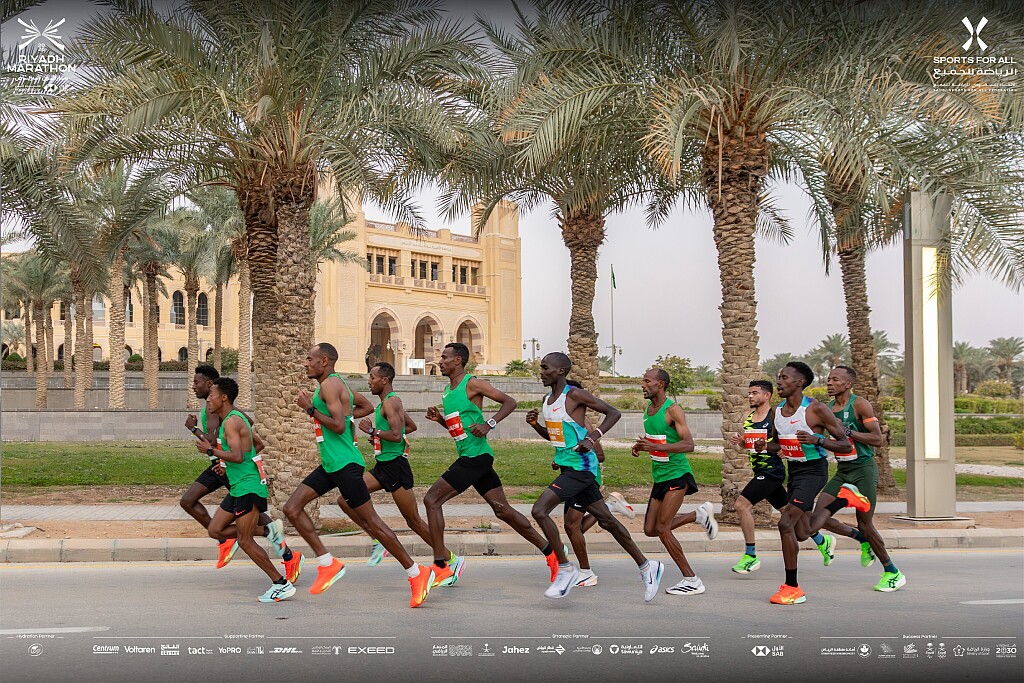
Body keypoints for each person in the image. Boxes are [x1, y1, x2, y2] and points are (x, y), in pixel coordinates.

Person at [281, 343, 435, 608]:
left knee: (374, 523)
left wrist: (310, 409)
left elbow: (338, 426)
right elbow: (363, 406)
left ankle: (416, 572)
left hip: (345, 464)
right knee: (292, 508)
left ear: (324, 361)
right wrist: (344, 415)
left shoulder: (330, 385)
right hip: (331, 464)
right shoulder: (335, 384)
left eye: (309, 358)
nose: (306, 363)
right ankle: (327, 563)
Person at [526, 353, 664, 601]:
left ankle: (566, 569)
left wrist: (592, 438)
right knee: (606, 521)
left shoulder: (574, 395)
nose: (541, 371)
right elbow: (557, 438)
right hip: (568, 468)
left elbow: (613, 413)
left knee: (539, 510)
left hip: (582, 469)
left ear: (561, 371)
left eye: (545, 367)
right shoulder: (547, 400)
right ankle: (647, 566)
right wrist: (537, 426)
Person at [422, 342, 555, 588]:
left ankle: (442, 566)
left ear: (458, 360)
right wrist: (440, 419)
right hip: (473, 455)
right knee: (503, 511)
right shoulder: (448, 391)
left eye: (445, 357)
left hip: (476, 457)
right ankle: (552, 552)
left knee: (431, 500)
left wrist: (489, 424)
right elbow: (459, 430)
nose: (440, 361)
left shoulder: (472, 383)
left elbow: (509, 402)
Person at [341, 362, 459, 572]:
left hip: (396, 468)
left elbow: (396, 435)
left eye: (372, 377)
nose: (369, 381)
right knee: (345, 499)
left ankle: (451, 559)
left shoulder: (391, 402)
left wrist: (374, 432)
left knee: (413, 521)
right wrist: (380, 438)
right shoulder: (385, 404)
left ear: (384, 380)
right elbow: (410, 427)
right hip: (383, 467)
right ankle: (378, 539)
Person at [182, 365, 296, 578]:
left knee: (249, 520)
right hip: (225, 467)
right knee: (195, 505)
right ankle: (230, 540)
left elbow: (216, 442)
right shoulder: (225, 412)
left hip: (234, 471)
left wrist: (194, 430)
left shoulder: (224, 415)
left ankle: (284, 563)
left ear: (212, 386)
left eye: (197, 382)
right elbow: (252, 442)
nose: (194, 386)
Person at [806, 365, 905, 592]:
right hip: (843, 471)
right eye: (828, 379)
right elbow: (820, 438)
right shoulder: (827, 409)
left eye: (835, 379)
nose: (829, 383)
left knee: (865, 523)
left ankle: (892, 572)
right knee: (817, 519)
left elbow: (877, 439)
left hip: (863, 470)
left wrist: (848, 432)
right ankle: (862, 540)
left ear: (848, 384)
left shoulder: (859, 404)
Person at [770, 362, 853, 605]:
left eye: (784, 377)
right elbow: (778, 444)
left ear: (800, 382)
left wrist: (817, 440)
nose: (779, 381)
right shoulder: (777, 411)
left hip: (814, 472)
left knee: (785, 523)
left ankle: (792, 587)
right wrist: (765, 446)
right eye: (779, 377)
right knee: (801, 532)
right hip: (794, 472)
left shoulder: (815, 409)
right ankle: (843, 500)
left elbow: (844, 445)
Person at [633, 368, 718, 596]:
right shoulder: (648, 410)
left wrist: (655, 446)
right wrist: (642, 445)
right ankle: (697, 515)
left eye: (647, 381)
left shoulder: (673, 410)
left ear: (660, 384)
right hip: (660, 476)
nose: (643, 385)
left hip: (677, 475)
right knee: (650, 529)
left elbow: (689, 444)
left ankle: (692, 580)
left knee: (663, 529)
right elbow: (659, 439)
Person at [553, 380, 634, 587]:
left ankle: (587, 573)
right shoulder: (564, 420)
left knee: (572, 526)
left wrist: (587, 446)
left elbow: (600, 455)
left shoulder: (585, 424)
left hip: (585, 477)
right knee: (574, 527)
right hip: (572, 475)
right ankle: (610, 507)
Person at [727, 380, 787, 573]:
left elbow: (785, 440)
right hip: (760, 471)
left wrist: (784, 449)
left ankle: (750, 556)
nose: (750, 396)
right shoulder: (749, 417)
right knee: (789, 513)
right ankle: (822, 540)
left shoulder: (775, 415)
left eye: (754, 393)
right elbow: (749, 444)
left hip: (772, 471)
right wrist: (741, 441)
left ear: (767, 395)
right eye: (749, 393)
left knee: (741, 505)